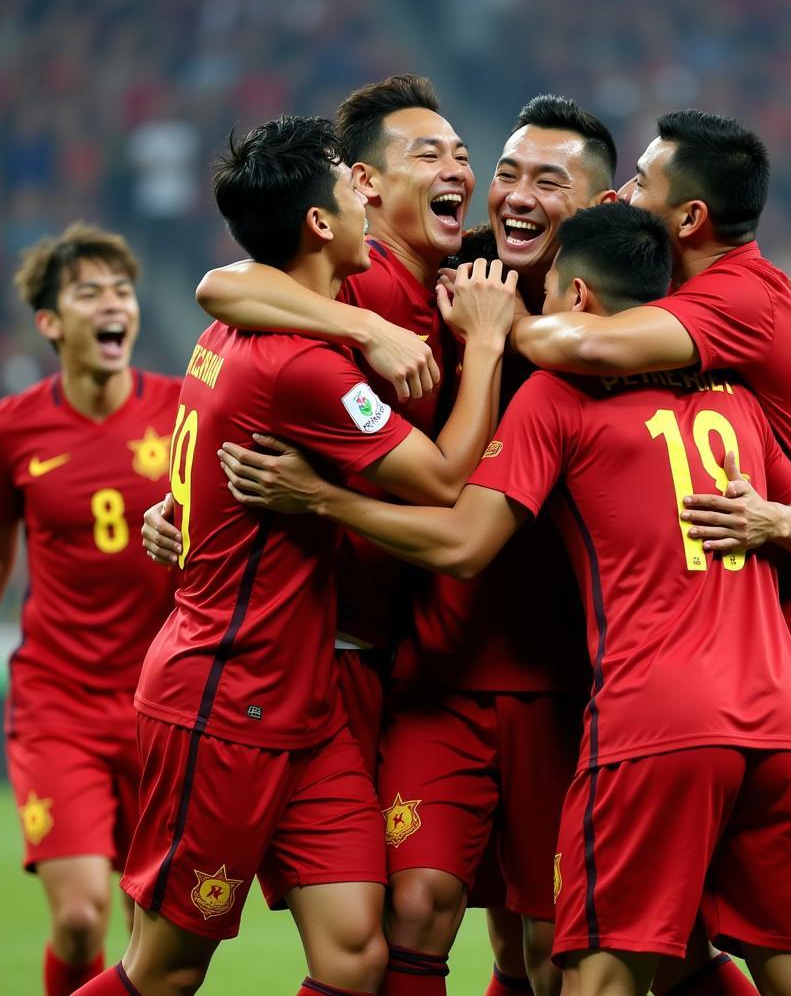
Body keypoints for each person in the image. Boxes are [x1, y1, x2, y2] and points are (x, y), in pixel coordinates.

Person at [219, 202, 791, 996]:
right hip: (783, 720)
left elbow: (461, 544)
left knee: (593, 973)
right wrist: (770, 521)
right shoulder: (733, 393)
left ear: (578, 299)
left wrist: (323, 499)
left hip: (657, 717)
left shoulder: (560, 397)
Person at [77, 114, 515, 996]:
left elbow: (225, 291)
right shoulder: (303, 363)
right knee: (163, 971)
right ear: (321, 221)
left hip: (305, 699)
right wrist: (489, 345)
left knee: (357, 953)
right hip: (225, 692)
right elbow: (438, 480)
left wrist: (182, 512)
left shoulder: (254, 331)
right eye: (354, 188)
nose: (365, 198)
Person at [194, 94, 619, 996]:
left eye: (548, 181)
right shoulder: (432, 280)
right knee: (412, 911)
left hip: (566, 673)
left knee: (541, 949)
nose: (506, 193)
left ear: (605, 204)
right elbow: (227, 285)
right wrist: (369, 327)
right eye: (504, 172)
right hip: (428, 665)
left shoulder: (616, 315)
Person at [509, 110, 791, 912]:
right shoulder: (718, 304)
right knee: (687, 934)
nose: (619, 192)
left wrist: (497, 326)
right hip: (755, 642)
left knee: (787, 935)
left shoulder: (732, 295)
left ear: (690, 218)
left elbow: (583, 345)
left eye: (640, 183)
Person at [193, 73, 473, 775]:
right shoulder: (363, 275)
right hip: (328, 641)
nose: (456, 171)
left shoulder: (467, 275)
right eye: (428, 155)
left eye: (463, 155)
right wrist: (364, 325)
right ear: (364, 185)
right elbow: (221, 286)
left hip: (414, 640)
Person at [0, 223, 180, 996]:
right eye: (89, 292)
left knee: (148, 937)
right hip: (57, 701)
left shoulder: (180, 410)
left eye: (122, 291)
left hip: (161, 700)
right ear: (50, 322)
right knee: (79, 917)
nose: (113, 305)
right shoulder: (11, 428)